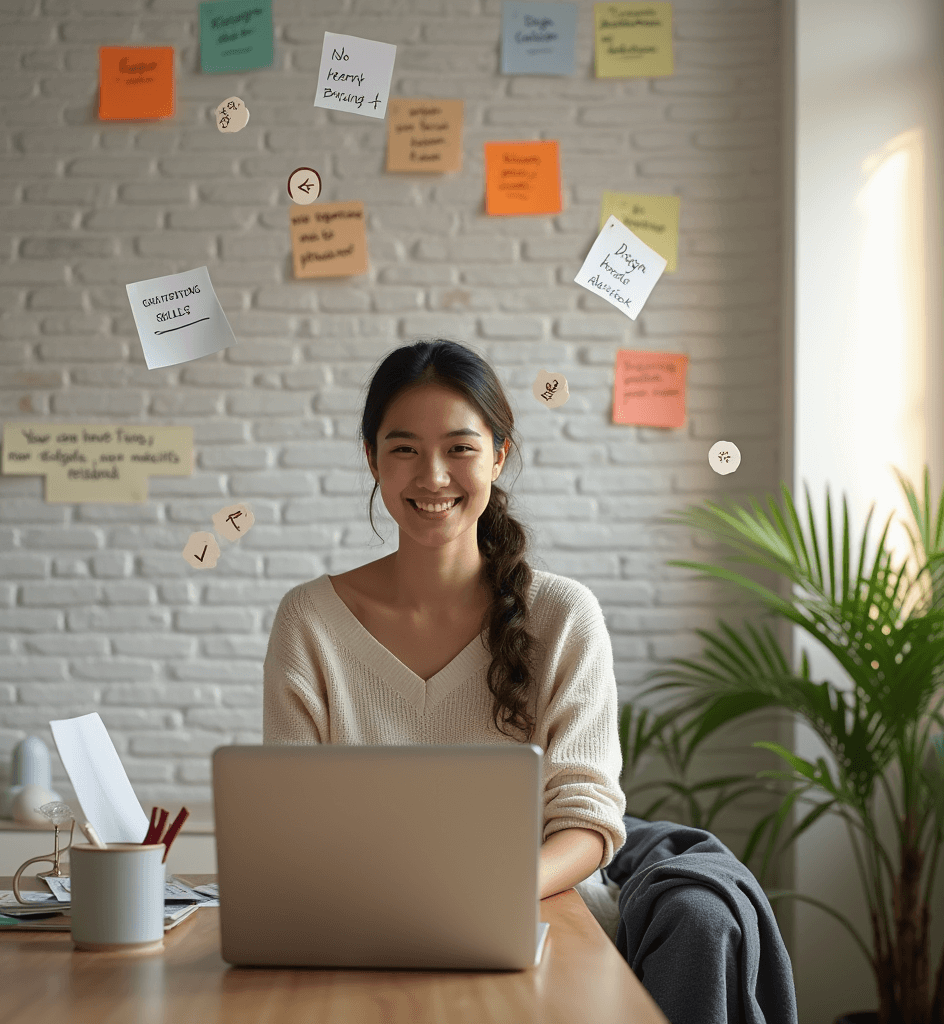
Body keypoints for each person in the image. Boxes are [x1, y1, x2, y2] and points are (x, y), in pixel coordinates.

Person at [263, 339, 798, 1024]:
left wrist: (484, 897)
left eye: (459, 447)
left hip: (542, 925)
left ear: (498, 455)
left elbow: (589, 819)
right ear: (371, 458)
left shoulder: (564, 616)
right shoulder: (310, 621)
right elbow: (291, 826)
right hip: (359, 935)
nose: (432, 475)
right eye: (403, 449)